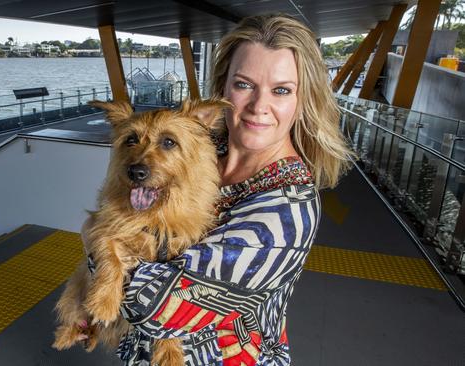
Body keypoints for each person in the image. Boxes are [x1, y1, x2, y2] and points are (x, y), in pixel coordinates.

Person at [83, 14, 352, 365]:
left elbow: (154, 306)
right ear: (223, 87)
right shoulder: (205, 155)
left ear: (304, 100)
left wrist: (95, 237)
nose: (258, 106)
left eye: (282, 90)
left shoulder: (287, 213)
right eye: (244, 84)